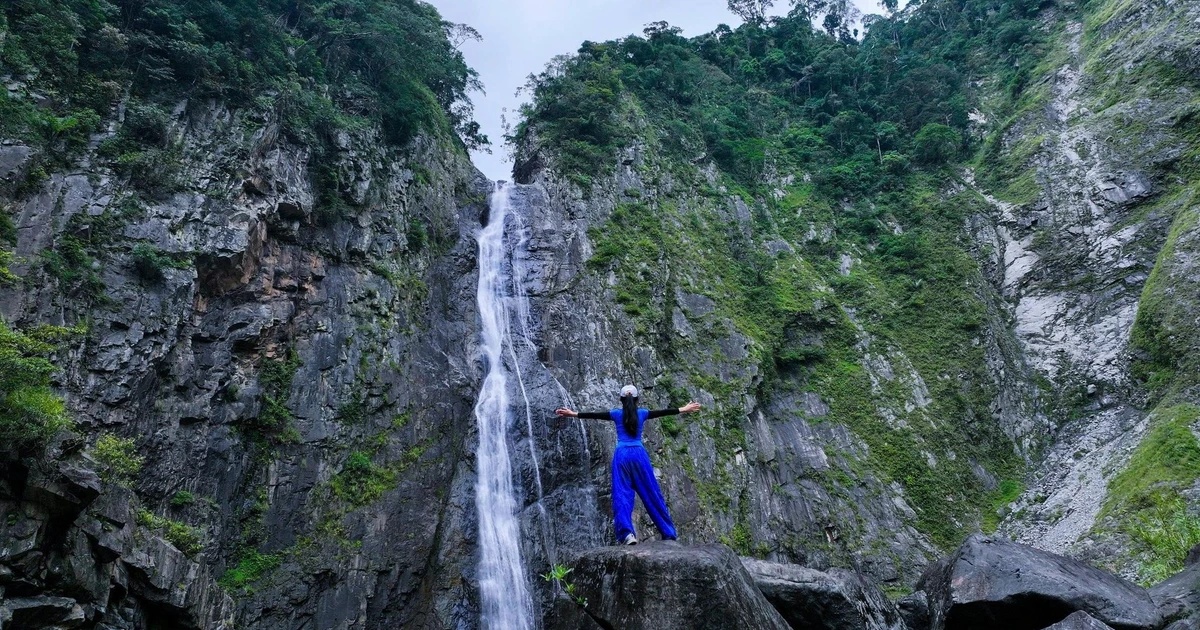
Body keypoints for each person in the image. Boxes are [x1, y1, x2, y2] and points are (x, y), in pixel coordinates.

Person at [556, 385, 702, 545]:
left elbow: (594, 415)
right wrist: (684, 408)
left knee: (622, 494)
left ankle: (627, 535)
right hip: (639, 454)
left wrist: (572, 414)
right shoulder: (643, 413)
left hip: (622, 455)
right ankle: (668, 532)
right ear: (637, 399)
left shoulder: (616, 414)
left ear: (621, 399)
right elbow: (662, 412)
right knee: (651, 492)